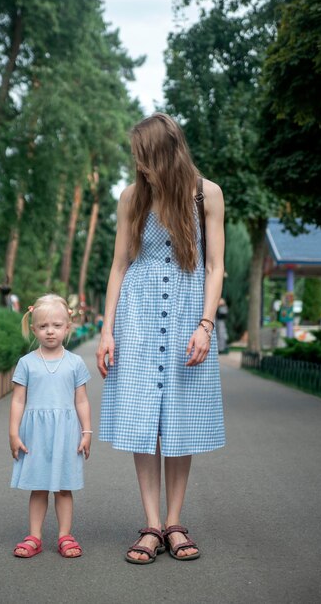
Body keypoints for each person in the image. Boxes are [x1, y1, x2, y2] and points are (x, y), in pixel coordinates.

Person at [96, 113, 225, 565]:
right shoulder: (132, 196)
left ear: (167, 152)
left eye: (145, 157)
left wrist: (206, 324)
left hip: (190, 311)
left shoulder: (206, 194)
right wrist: (107, 330)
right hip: (139, 313)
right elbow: (119, 266)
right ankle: (151, 524)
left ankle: (175, 522)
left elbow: (214, 266)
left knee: (181, 417)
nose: (140, 165)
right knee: (143, 418)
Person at [10, 294, 92, 559]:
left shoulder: (75, 363)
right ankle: (34, 536)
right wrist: (13, 433)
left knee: (64, 487)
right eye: (43, 326)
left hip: (66, 433)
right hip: (35, 435)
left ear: (68, 327)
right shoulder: (27, 363)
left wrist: (87, 432)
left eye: (57, 325)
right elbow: (18, 400)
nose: (50, 331)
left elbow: (81, 400)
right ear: (34, 329)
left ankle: (65, 535)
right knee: (39, 486)